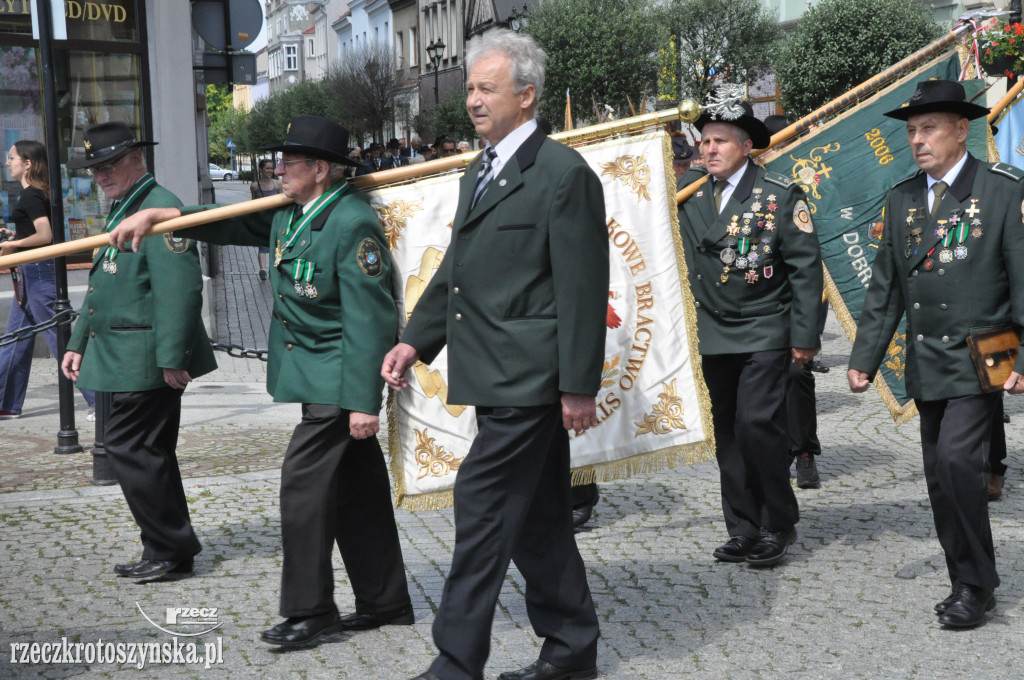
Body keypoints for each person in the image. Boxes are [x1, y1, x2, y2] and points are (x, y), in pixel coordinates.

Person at [111, 115, 413, 649]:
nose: (277, 170)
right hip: (315, 377)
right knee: (357, 491)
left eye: (288, 162)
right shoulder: (291, 214)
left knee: (302, 490)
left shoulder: (350, 222)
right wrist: (164, 215)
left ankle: (310, 610)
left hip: (339, 385)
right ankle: (385, 601)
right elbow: (226, 221)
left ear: (319, 169)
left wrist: (366, 402)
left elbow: (371, 320)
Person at [382, 29, 606, 680]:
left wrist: (578, 384)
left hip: (531, 380)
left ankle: (457, 660)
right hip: (494, 374)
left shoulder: (562, 173)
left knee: (479, 504)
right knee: (537, 522)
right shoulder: (479, 170)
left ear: (526, 95)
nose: (473, 101)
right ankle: (571, 652)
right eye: (471, 89)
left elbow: (583, 287)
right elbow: (457, 271)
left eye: (487, 88)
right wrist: (412, 340)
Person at [848, 79, 1024, 628]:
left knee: (957, 462)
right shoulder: (902, 197)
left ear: (961, 130)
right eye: (911, 131)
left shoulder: (1003, 190)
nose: (918, 141)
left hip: (984, 355)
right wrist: (863, 357)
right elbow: (886, 288)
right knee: (939, 476)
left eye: (928, 129)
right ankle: (963, 578)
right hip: (927, 361)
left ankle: (977, 585)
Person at [60, 122, 216, 580]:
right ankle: (163, 548)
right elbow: (103, 283)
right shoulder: (123, 207)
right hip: (121, 355)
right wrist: (78, 341)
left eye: (109, 165)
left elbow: (181, 291)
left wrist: (173, 357)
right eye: (95, 168)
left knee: (133, 450)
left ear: (137, 160)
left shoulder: (159, 208)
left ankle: (171, 547)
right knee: (147, 453)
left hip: (146, 358)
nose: (101, 175)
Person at [676, 99, 823, 567]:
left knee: (756, 423)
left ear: (746, 146)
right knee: (728, 432)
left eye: (719, 140)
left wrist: (805, 336)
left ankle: (778, 522)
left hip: (764, 325)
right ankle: (742, 527)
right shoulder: (688, 191)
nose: (709, 149)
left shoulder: (780, 195)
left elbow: (805, 269)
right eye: (705, 141)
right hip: (713, 330)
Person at [0, 140, 96, 420]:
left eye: (11, 157)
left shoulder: (31, 195)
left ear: (27, 163)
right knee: (15, 339)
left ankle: (100, 402)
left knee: (59, 339)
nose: (8, 162)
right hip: (30, 272)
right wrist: (13, 236)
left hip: (38, 273)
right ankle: (6, 403)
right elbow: (37, 232)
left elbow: (45, 236)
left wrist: (13, 246)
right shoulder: (40, 193)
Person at [249, 158, 281, 280]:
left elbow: (281, 202)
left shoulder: (277, 184)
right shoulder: (255, 186)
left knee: (275, 245)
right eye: (267, 168)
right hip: (261, 220)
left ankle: (273, 269)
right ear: (261, 169)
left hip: (275, 219)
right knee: (262, 245)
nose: (270, 171)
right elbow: (252, 203)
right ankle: (263, 269)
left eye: (271, 168)